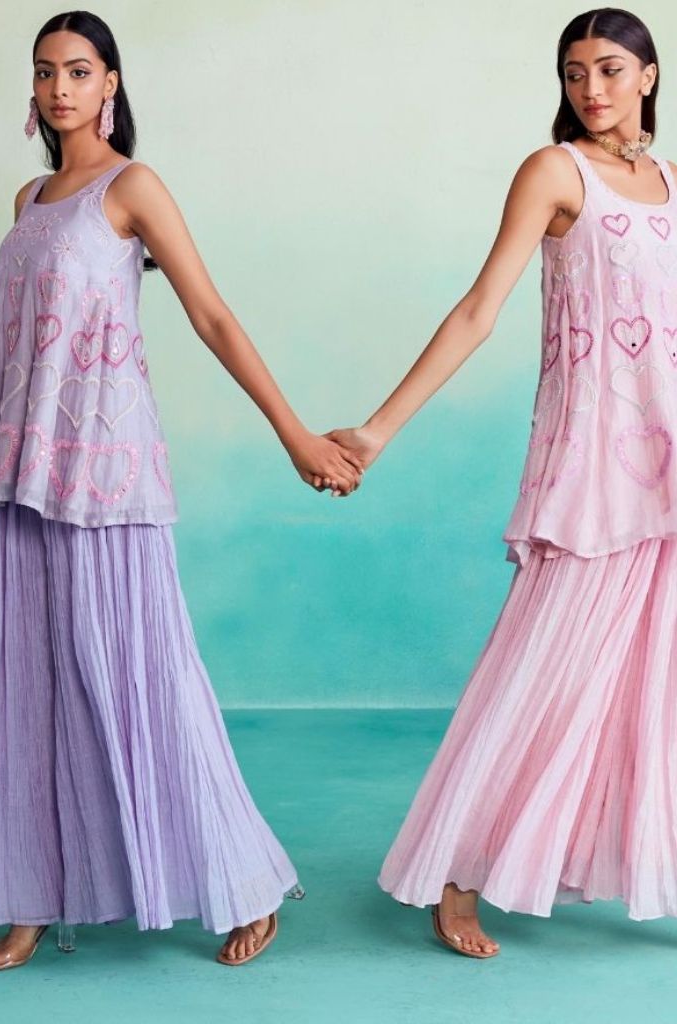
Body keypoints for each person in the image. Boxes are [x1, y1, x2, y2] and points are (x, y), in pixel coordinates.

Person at [0, 9, 363, 973]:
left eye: (79, 70)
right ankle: (29, 894)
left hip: (105, 474)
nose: (60, 87)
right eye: (46, 71)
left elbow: (210, 314)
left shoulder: (131, 188)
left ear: (110, 84)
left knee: (142, 677)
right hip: (23, 476)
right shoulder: (28, 200)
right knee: (23, 685)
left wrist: (294, 432)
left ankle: (242, 881)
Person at [326, 7, 675, 958]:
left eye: (610, 69)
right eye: (575, 72)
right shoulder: (554, 172)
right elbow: (480, 309)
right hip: (593, 464)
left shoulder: (674, 184)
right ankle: (457, 873)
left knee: (659, 682)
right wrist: (378, 430)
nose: (591, 88)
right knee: (541, 672)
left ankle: (650, 864)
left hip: (670, 460)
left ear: (649, 75)